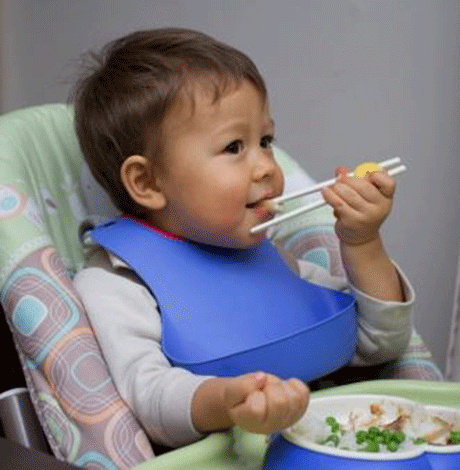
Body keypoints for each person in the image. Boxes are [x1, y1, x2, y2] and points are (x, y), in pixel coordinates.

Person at [72, 28, 414, 449]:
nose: (267, 166)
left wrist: (362, 243)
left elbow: (378, 342)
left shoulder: (271, 256)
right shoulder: (117, 280)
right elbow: (150, 396)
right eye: (234, 146)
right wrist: (225, 402)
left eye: (265, 141)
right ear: (147, 181)